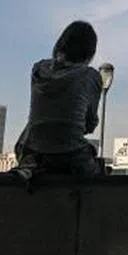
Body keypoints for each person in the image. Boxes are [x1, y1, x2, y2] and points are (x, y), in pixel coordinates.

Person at [13, 21, 104, 181]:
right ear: (90, 51)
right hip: (72, 154)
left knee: (35, 129)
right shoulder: (91, 76)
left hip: (32, 151)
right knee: (95, 161)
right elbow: (90, 124)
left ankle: (31, 168)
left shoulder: (39, 70)